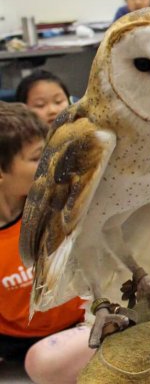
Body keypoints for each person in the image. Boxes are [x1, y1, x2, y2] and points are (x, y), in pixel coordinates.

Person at [0, 103, 85, 368]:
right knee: (43, 361)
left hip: (85, 325)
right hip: (22, 349)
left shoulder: (61, 201)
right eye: (38, 158)